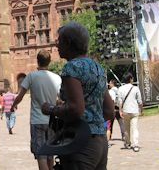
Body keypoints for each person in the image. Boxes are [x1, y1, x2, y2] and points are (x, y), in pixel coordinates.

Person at [41, 22, 114, 170]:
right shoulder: (97, 68)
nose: (57, 45)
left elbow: (76, 109)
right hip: (100, 142)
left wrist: (51, 109)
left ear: (68, 43)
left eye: (59, 41)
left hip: (81, 143)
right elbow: (110, 111)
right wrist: (93, 120)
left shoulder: (72, 67)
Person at [11, 50, 61, 170]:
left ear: (37, 61)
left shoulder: (32, 76)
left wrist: (13, 105)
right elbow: (61, 99)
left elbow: (20, 95)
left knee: (41, 155)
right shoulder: (57, 78)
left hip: (37, 120)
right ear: (49, 61)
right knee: (50, 155)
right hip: (52, 120)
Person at [117, 73, 143, 152]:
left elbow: (119, 101)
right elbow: (140, 101)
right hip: (134, 111)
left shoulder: (120, 89)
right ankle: (136, 145)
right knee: (135, 128)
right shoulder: (135, 88)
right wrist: (141, 109)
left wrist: (120, 110)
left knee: (126, 129)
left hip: (125, 111)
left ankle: (128, 143)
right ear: (130, 79)